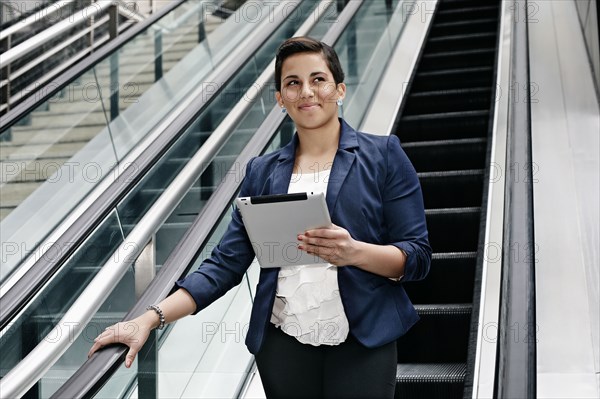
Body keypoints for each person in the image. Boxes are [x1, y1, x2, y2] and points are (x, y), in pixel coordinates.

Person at [89, 36, 431, 399]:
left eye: (318, 79)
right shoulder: (263, 171)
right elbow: (225, 265)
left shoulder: (383, 156)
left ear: (339, 89)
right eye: (292, 83)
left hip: (364, 342)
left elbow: (418, 257)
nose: (306, 92)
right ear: (280, 100)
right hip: (283, 347)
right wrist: (149, 318)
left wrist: (353, 252)